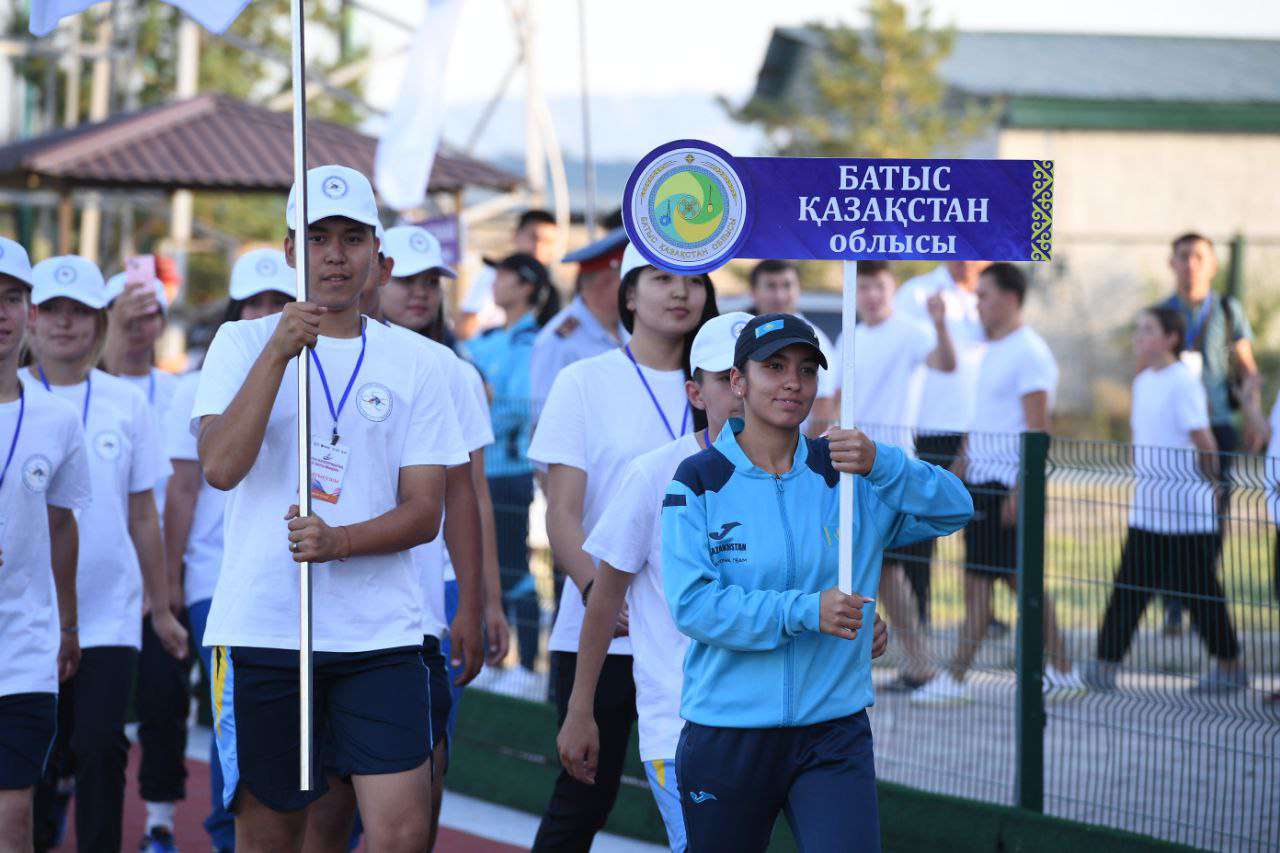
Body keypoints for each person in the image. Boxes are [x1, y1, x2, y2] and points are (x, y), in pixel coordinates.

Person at [193, 165, 468, 852]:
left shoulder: (421, 362)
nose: (335, 256)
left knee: (403, 831)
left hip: (380, 636)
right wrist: (278, 353)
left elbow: (425, 510)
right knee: (270, 835)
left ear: (380, 256)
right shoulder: (240, 344)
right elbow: (221, 465)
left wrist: (338, 540)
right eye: (318, 238)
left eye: (351, 238)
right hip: (268, 630)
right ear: (290, 250)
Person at [661, 312, 971, 852]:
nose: (792, 382)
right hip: (727, 733)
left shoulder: (847, 475)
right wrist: (807, 611)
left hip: (834, 730)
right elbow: (694, 607)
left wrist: (885, 464)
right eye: (774, 367)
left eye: (806, 370)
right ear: (738, 382)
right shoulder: (699, 480)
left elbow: (955, 508)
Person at [527, 243, 718, 850]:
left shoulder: (730, 386)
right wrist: (597, 595)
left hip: (702, 637)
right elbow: (561, 514)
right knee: (584, 800)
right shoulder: (583, 381)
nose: (680, 292)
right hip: (602, 635)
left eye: (693, 279)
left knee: (710, 802)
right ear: (628, 295)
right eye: (661, 278)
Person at [332, 223, 500, 851]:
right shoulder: (325, 357)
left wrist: (481, 603)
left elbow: (470, 494)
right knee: (326, 802)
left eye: (433, 282)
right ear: (380, 273)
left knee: (423, 777)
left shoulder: (452, 372)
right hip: (334, 609)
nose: (422, 293)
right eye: (410, 280)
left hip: (424, 606)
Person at [24, 255, 188, 853]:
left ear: (100, 322)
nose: (66, 325)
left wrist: (163, 605)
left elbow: (144, 511)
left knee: (100, 746)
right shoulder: (9, 400)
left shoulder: (127, 404)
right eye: (53, 311)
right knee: (36, 750)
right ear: (31, 320)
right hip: (25, 613)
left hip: (109, 613)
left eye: (81, 312)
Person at [161, 247, 296, 853]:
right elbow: (187, 489)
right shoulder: (201, 382)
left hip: (298, 582)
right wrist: (169, 584)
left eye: (277, 300)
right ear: (236, 307)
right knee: (233, 730)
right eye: (255, 302)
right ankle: (224, 836)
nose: (266, 312)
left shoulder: (318, 367)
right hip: (220, 583)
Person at [912, 263, 1082, 704]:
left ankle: (957, 676)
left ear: (1009, 298)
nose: (978, 303)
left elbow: (1037, 432)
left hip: (1006, 489)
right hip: (981, 486)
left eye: (984, 295)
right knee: (1002, 583)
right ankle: (1061, 668)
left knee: (991, 585)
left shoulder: (1030, 353)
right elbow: (980, 423)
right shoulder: (992, 350)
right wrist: (955, 473)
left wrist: (1022, 494)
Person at [1086, 307, 1246, 693]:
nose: (1138, 336)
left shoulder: (1183, 381)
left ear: (1171, 338)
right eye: (1138, 329)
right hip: (1148, 509)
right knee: (1129, 588)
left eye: (1148, 330)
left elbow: (1205, 442)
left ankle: (1231, 668)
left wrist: (1212, 484)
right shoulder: (1143, 381)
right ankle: (1103, 666)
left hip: (1186, 512)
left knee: (1200, 592)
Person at [0, 238, 91, 853]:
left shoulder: (56, 420)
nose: (1, 313)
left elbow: (62, 525)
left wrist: (67, 625)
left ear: (29, 313)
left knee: (14, 817)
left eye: (11, 298)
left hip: (24, 648)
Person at [831, 260, 956, 690]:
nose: (870, 295)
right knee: (869, 567)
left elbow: (945, 363)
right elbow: (836, 396)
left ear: (892, 288)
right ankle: (912, 663)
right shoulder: (851, 335)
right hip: (849, 466)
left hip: (891, 466)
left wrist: (940, 323)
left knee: (891, 569)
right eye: (862, 287)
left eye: (878, 286)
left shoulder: (909, 331)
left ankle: (920, 663)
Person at [103, 269, 187, 853]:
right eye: (127, 314)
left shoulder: (180, 391)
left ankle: (159, 819)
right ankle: (54, 793)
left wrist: (170, 582)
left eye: (149, 315)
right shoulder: (75, 388)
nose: (139, 327)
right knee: (84, 716)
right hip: (91, 580)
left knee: (164, 704)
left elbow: (181, 493)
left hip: (155, 580)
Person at [1159, 232, 1266, 633]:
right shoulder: (1162, 312)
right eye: (1183, 256)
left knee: (1213, 513)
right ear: (1171, 262)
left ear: (1213, 264)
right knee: (1168, 511)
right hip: (1175, 429)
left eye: (1199, 257)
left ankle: (1199, 594)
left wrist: (1253, 415)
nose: (1191, 264)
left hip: (1218, 425)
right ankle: (1173, 600)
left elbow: (1247, 368)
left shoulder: (1226, 309)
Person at [467, 253, 561, 689]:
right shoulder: (486, 340)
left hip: (509, 471)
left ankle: (525, 664)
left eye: (504, 274)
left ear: (526, 286)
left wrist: (479, 400)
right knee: (482, 563)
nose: (496, 281)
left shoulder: (535, 344)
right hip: (476, 470)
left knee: (512, 566)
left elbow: (514, 410)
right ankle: (495, 661)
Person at [893, 260, 989, 625]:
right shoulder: (917, 293)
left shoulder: (989, 298)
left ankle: (982, 615)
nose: (969, 259)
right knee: (920, 533)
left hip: (979, 434)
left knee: (982, 530)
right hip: (929, 430)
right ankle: (919, 616)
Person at [529, 226, 628, 411]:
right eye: (629, 280)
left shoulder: (628, 326)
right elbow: (544, 414)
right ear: (605, 282)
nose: (635, 288)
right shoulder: (558, 340)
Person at [745, 259, 837, 435]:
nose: (780, 295)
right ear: (753, 292)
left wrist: (797, 457)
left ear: (798, 289)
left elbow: (823, 408)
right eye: (771, 286)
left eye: (787, 285)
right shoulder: (743, 335)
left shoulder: (814, 338)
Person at [459, 209, 560, 339]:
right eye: (534, 238)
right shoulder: (492, 274)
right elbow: (465, 328)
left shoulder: (551, 287)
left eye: (548, 242)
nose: (538, 247)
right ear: (515, 235)